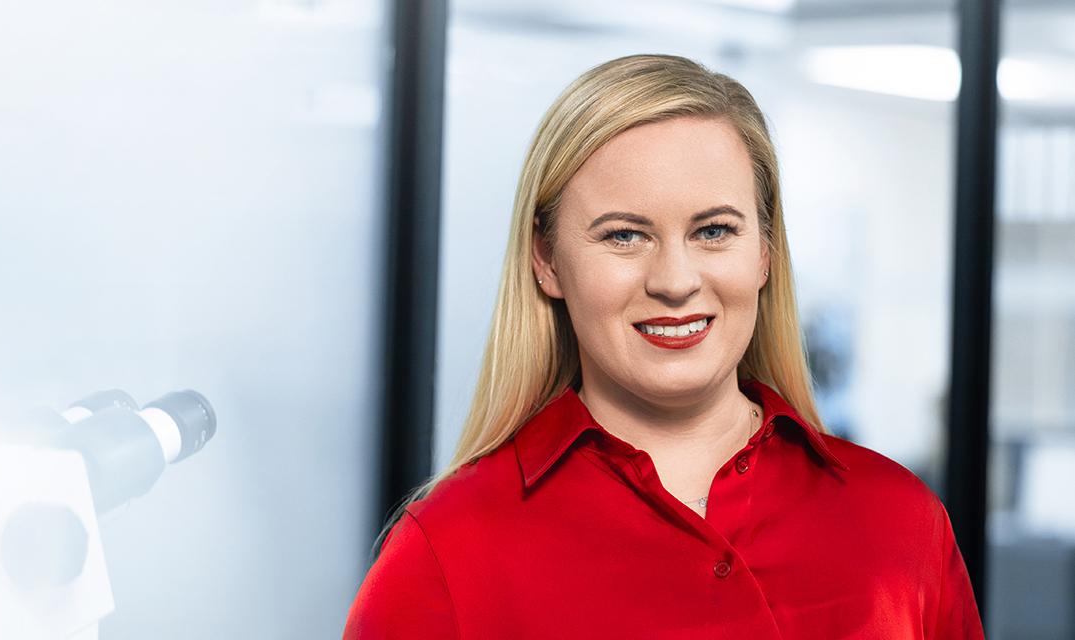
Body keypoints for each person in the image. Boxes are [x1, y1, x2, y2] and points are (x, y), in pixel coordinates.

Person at [343, 53, 984, 638]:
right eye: (624, 236)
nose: (675, 282)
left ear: (764, 251)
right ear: (547, 260)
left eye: (713, 230)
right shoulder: (446, 552)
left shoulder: (899, 522)